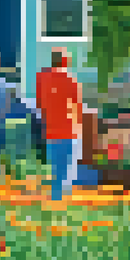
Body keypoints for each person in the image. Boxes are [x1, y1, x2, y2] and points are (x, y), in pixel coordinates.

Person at [35, 47, 83, 202]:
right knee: (67, 171)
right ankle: (63, 204)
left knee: (55, 172)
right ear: (65, 61)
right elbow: (78, 105)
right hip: (69, 130)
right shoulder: (70, 79)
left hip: (50, 131)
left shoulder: (41, 79)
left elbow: (40, 104)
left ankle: (55, 201)